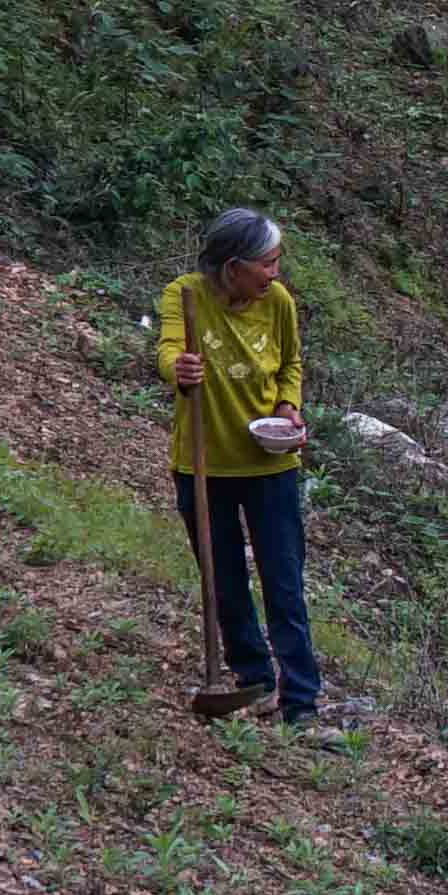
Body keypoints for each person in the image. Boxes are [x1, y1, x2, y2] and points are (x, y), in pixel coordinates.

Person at [158, 208, 324, 726]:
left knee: (284, 583)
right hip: (204, 463)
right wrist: (178, 369)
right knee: (223, 578)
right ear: (233, 267)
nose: (274, 273)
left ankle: (301, 701)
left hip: (271, 466)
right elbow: (167, 351)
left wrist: (288, 408)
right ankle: (252, 675)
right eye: (267, 263)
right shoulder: (184, 295)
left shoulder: (277, 303)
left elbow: (291, 364)